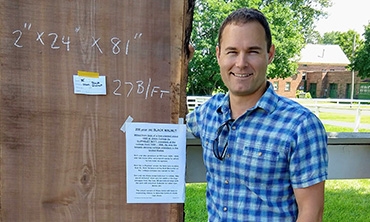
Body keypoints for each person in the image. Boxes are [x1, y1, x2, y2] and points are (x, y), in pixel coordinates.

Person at [186, 7, 328, 221]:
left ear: (269, 54)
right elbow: (169, 115)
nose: (241, 63)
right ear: (218, 54)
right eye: (232, 52)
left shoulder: (301, 126)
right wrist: (178, 64)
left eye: (252, 51)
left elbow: (312, 213)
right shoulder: (208, 114)